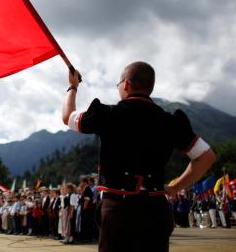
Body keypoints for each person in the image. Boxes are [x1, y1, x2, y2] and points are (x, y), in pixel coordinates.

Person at [62, 61, 216, 252]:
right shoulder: (170, 121)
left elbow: (67, 116)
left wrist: (73, 86)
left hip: (118, 210)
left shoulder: (108, 114)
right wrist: (175, 187)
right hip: (156, 210)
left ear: (125, 84)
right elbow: (206, 156)